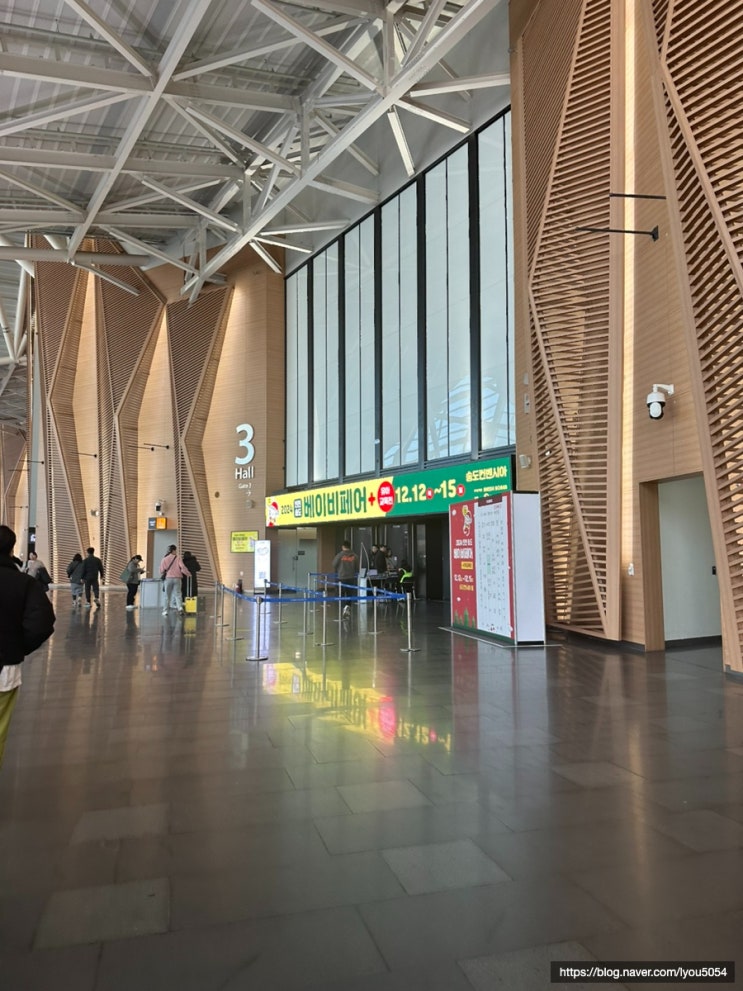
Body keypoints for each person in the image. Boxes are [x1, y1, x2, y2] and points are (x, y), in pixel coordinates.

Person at [0, 526, 56, 768]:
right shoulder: (23, 583)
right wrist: (18, 647)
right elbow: (42, 623)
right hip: (5, 668)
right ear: (11, 550)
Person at [159, 544, 190, 616]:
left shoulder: (164, 559)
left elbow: (161, 570)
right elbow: (182, 567)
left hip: (168, 578)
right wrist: (188, 573)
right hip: (177, 578)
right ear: (173, 550)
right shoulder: (178, 558)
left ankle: (165, 611)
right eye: (175, 550)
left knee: (167, 595)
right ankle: (180, 608)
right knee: (178, 594)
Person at [332, 540, 359, 618]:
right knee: (349, 594)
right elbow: (357, 567)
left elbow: (334, 564)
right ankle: (347, 607)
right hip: (351, 577)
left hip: (342, 577)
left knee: (341, 594)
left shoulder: (340, 555)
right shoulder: (355, 556)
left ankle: (343, 608)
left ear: (343, 547)